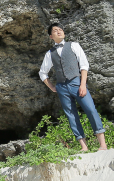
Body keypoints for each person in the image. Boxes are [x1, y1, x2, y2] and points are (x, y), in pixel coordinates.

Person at [39, 23, 107, 151]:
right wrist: (52, 87)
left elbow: (84, 65)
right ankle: (83, 147)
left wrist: (83, 84)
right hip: (61, 87)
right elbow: (42, 73)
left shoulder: (74, 45)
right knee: (71, 115)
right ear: (50, 36)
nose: (59, 31)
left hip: (76, 82)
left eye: (60, 29)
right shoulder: (49, 53)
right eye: (55, 30)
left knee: (91, 110)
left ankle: (102, 145)